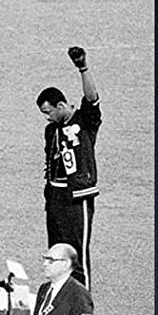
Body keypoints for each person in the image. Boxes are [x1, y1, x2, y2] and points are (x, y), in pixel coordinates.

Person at [36, 47, 101, 290]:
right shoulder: (50, 130)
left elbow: (92, 99)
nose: (47, 117)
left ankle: (84, 305)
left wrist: (82, 67)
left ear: (61, 104)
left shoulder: (84, 120)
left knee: (77, 254)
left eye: (48, 112)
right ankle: (61, 301)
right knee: (57, 253)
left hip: (77, 196)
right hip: (55, 197)